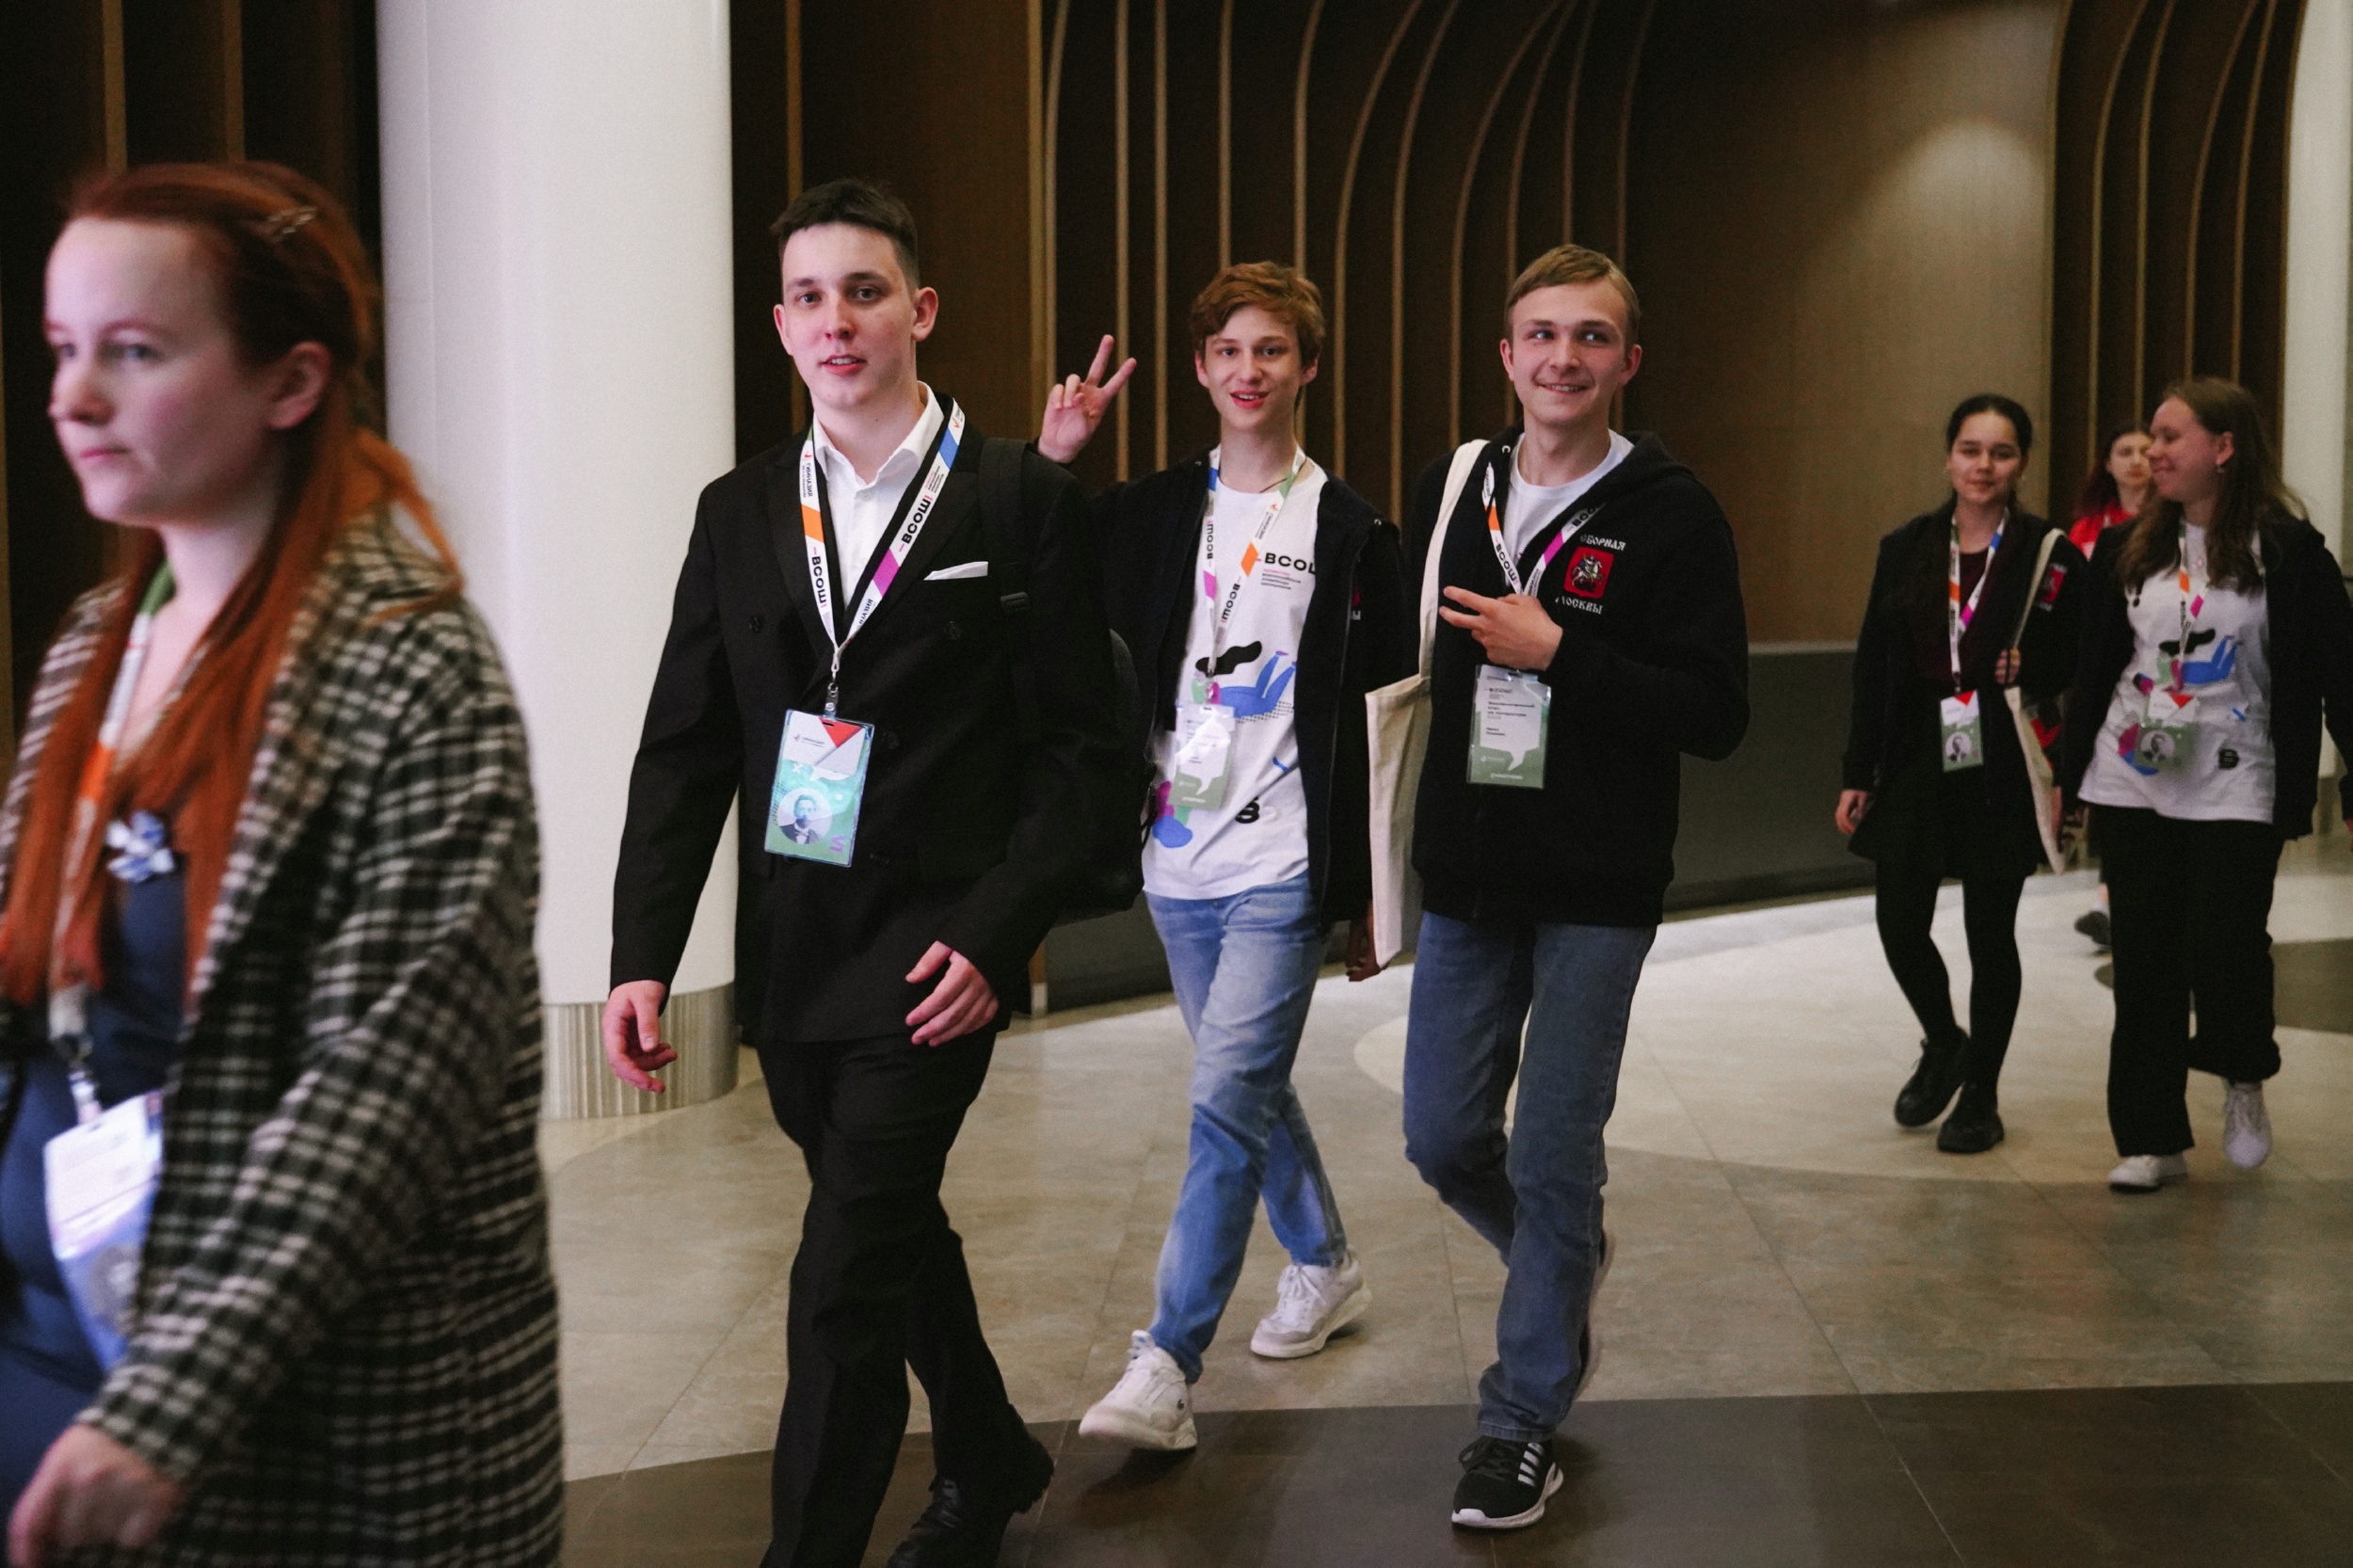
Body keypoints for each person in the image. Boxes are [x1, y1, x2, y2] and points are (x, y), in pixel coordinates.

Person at [2, 164, 558, 1564]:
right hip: (59, 1355)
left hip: (307, 1427)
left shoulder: (413, 672)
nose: (74, 398)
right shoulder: (94, 646)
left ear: (291, 381)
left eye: (135, 352)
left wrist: (164, 1412)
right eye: (64, 349)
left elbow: (381, 1096)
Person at [604, 179, 1120, 1568]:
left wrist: (998, 934)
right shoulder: (739, 510)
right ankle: (989, 1448)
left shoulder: (1017, 497)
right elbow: (686, 744)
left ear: (921, 309)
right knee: (882, 1225)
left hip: (938, 956)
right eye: (810, 298)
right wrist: (644, 954)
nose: (837, 320)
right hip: (797, 951)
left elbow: (1084, 754)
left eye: (866, 291)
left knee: (839, 1277)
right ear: (782, 326)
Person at [1399, 245, 1748, 1530]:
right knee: (1442, 1135)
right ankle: (1563, 1256)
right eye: (1541, 334)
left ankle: (1519, 1420)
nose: (1563, 358)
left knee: (1553, 1149)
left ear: (1628, 361)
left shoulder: (1673, 514)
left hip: (1598, 883)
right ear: (1506, 356)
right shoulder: (1456, 486)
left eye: (1591, 336)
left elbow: (1715, 712)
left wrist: (1561, 653)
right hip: (1466, 875)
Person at [1038, 264, 1414, 1451]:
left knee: (1221, 1102)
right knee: (1241, 1084)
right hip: (1173, 855)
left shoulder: (1351, 532)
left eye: (1272, 350)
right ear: (1201, 369)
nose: (1249, 371)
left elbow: (1385, 722)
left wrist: (1373, 890)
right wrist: (1055, 463)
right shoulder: (1152, 511)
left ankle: (1166, 1360)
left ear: (1308, 367)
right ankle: (1326, 1262)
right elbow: (1037, 585)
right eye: (1229, 351)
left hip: (1283, 859)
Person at [2058, 378, 2353, 1193]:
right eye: (2151, 438)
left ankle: (2242, 1075)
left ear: (2224, 448)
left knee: (2228, 951)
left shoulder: (2287, 552)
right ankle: (2151, 1138)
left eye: (2170, 437)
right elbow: (2096, 668)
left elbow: (2339, 675)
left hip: (2239, 779)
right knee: (2144, 962)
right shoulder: (2128, 549)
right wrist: (2069, 777)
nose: (2153, 452)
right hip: (2133, 774)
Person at [1837, 395, 2086, 1156]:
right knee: (1899, 921)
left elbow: (2083, 653)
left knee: (1990, 933)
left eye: (2001, 453)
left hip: (2002, 760)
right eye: (1971, 450)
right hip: (1919, 753)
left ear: (2022, 463)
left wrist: (2033, 664)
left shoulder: (2049, 554)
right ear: (1949, 458)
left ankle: (1982, 1093)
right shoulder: (1907, 547)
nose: (1984, 466)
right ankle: (1945, 1040)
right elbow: (1875, 664)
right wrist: (1859, 770)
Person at [2068, 422, 2151, 951]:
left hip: (2155, 680)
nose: (2138, 460)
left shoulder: (2175, 521)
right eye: (2125, 451)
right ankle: (2108, 898)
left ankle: (2111, 900)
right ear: (2107, 463)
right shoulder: (2086, 531)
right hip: (2099, 673)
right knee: (2110, 778)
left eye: (2146, 450)